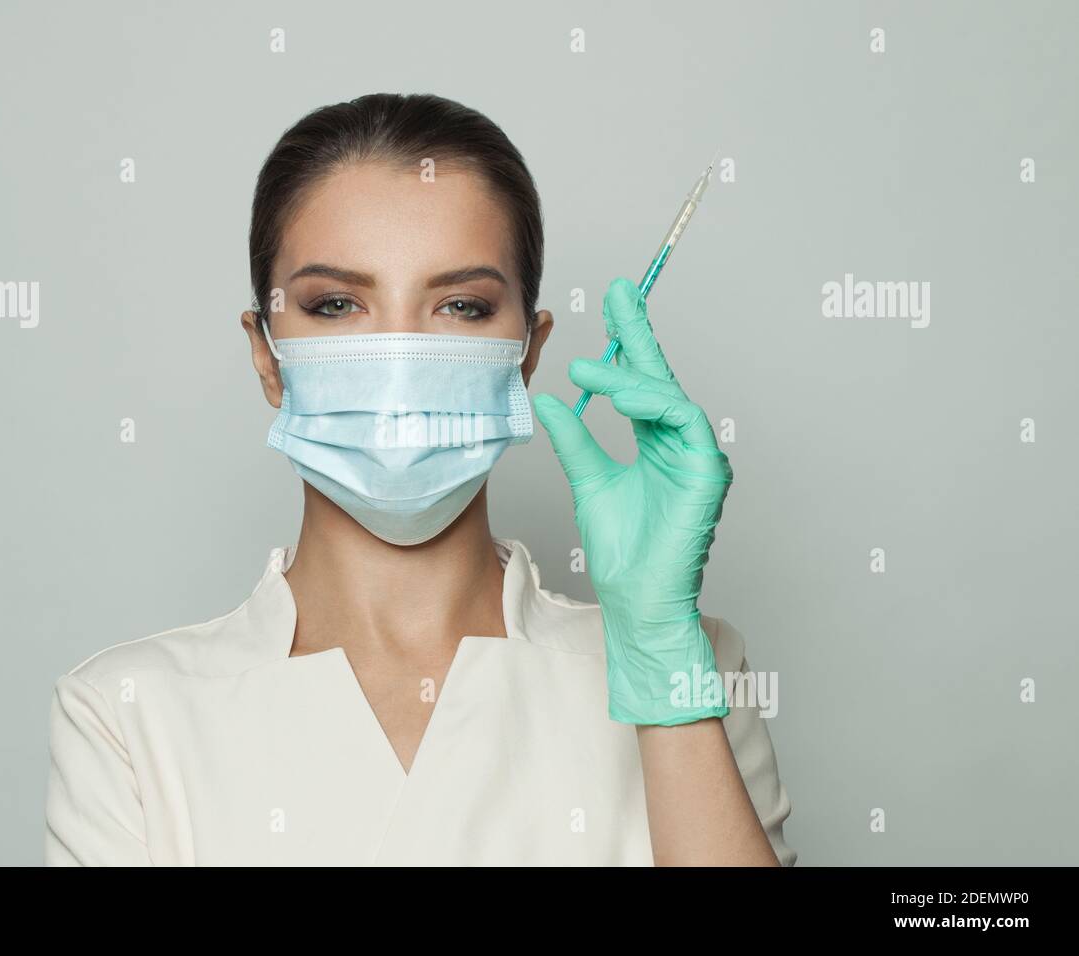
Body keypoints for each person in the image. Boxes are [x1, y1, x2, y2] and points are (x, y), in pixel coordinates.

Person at [44, 92, 796, 866]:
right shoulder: (129, 715)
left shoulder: (688, 662)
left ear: (527, 353)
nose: (399, 360)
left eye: (462, 307)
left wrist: (660, 657)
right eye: (336, 305)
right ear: (266, 355)